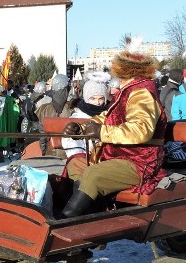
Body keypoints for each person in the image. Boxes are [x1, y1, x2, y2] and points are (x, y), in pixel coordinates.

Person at [60, 51, 167, 218]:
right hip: (116, 157)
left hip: (138, 161)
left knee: (93, 174)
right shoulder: (127, 91)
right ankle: (89, 219)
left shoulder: (141, 92)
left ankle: (64, 220)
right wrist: (80, 129)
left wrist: (102, 132)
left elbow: (141, 129)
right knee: (75, 164)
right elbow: (107, 118)